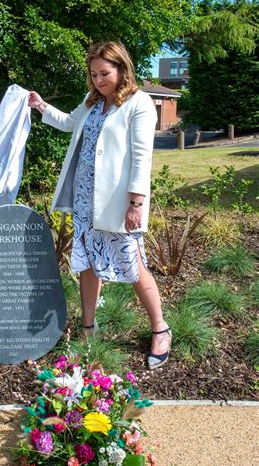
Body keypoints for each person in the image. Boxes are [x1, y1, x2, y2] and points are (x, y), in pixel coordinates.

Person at [28, 42, 171, 370]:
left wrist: (136, 202)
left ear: (122, 69)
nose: (98, 80)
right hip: (84, 200)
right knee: (87, 264)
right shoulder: (92, 102)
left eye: (104, 73)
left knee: (133, 266)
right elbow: (67, 123)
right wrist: (41, 106)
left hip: (117, 203)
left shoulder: (140, 103)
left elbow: (141, 157)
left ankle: (161, 329)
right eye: (93, 74)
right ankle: (88, 330)